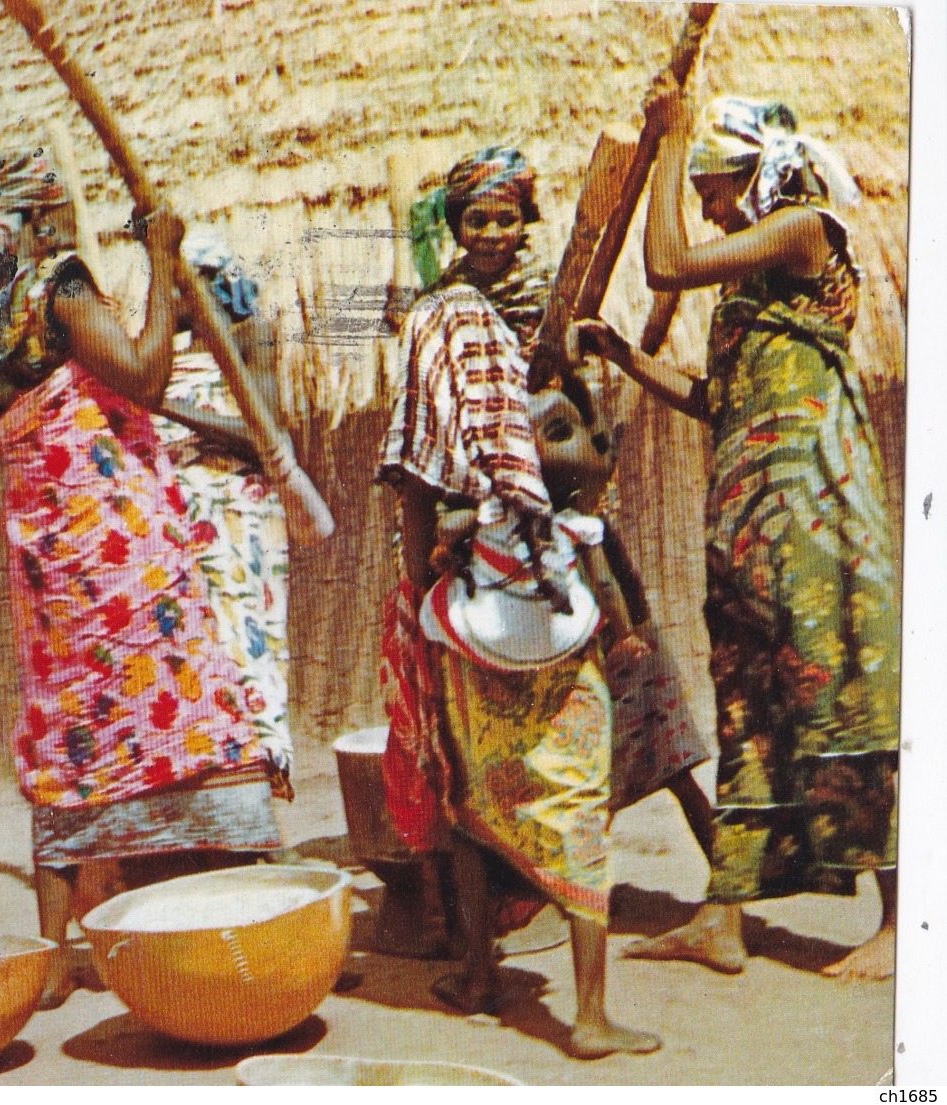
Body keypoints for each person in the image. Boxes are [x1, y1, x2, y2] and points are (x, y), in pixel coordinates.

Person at [0, 151, 282, 1008]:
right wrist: (161, 259)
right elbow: (146, 374)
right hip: (111, 533)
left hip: (45, 542)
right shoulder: (58, 284)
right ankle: (259, 915)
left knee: (68, 721)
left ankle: (54, 955)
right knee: (192, 692)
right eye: (60, 217)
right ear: (44, 218)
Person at [575, 79, 900, 981]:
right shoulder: (747, 289)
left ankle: (900, 921)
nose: (707, 208)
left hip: (819, 518)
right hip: (748, 523)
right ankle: (723, 918)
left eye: (714, 188)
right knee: (748, 709)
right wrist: (627, 359)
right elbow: (714, 403)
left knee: (838, 695)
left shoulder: (806, 232)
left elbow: (664, 263)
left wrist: (667, 140)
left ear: (756, 173)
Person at [377, 146, 659, 1059]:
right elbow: (418, 470)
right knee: (470, 792)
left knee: (564, 793)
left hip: (547, 578)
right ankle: (477, 969)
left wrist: (553, 418)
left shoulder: (554, 320)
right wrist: (422, 581)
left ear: (524, 223)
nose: (492, 234)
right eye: (475, 220)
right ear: (453, 230)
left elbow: (586, 462)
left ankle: (584, 1009)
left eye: (505, 218)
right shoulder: (437, 324)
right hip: (472, 591)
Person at [151, 232, 295, 803]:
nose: (176, 296)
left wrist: (163, 403)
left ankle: (255, 790)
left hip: (239, 523)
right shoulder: (155, 356)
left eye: (188, 282)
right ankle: (207, 803)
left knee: (247, 649)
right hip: (173, 526)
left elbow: (266, 436)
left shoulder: (248, 337)